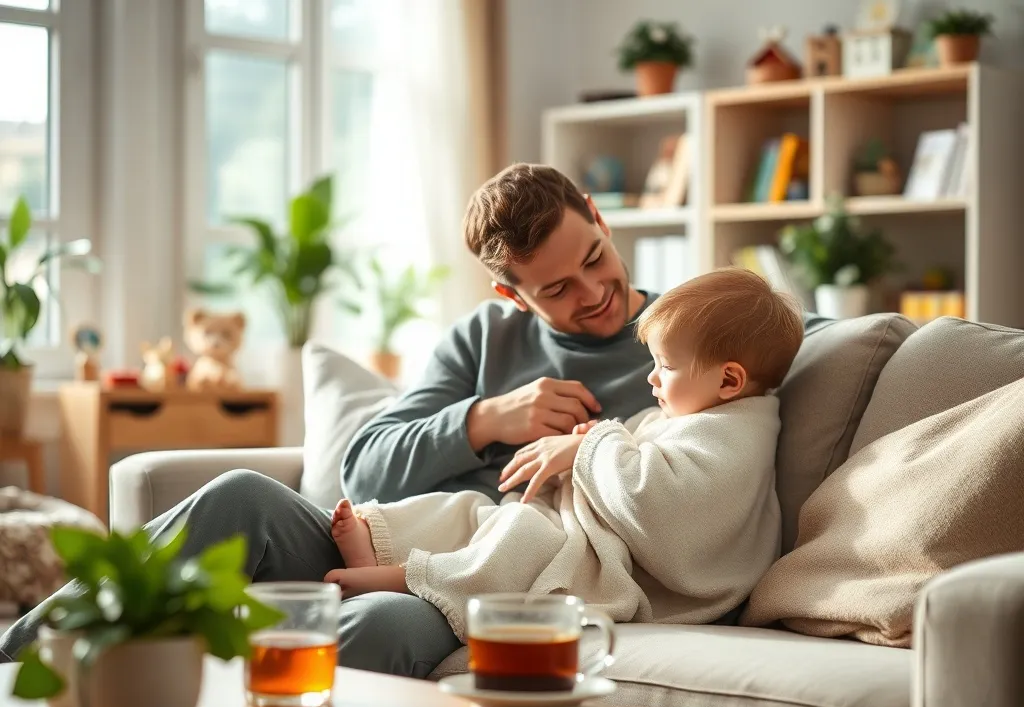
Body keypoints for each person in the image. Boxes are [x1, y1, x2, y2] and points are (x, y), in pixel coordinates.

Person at [0, 163, 662, 675]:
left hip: (484, 575)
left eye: (594, 256)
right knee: (240, 496)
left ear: (599, 219)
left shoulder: (684, 342)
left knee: (375, 624)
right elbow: (364, 466)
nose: (594, 290)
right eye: (555, 289)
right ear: (510, 295)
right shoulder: (484, 339)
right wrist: (487, 419)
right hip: (387, 538)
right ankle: (15, 661)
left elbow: (692, 492)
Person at [322, 268, 804, 639]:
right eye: (654, 363)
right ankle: (379, 536)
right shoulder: (696, 410)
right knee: (481, 511)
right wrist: (593, 443)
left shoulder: (737, 437)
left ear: (730, 380)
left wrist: (590, 446)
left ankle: (406, 578)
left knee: (522, 536)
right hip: (587, 530)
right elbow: (634, 451)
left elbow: (660, 503)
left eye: (666, 367)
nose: (651, 378)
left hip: (636, 573)